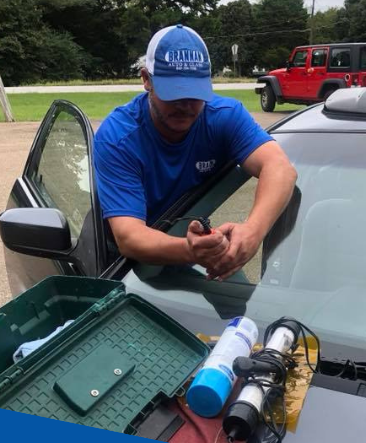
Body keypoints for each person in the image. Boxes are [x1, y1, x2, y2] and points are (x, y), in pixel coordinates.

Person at [94, 24, 297, 281]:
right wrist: (191, 251)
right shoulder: (118, 137)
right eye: (174, 93)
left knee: (237, 297)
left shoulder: (224, 117)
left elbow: (280, 169)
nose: (185, 105)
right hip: (126, 264)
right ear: (147, 80)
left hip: (191, 241)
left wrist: (252, 233)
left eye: (195, 94)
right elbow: (130, 237)